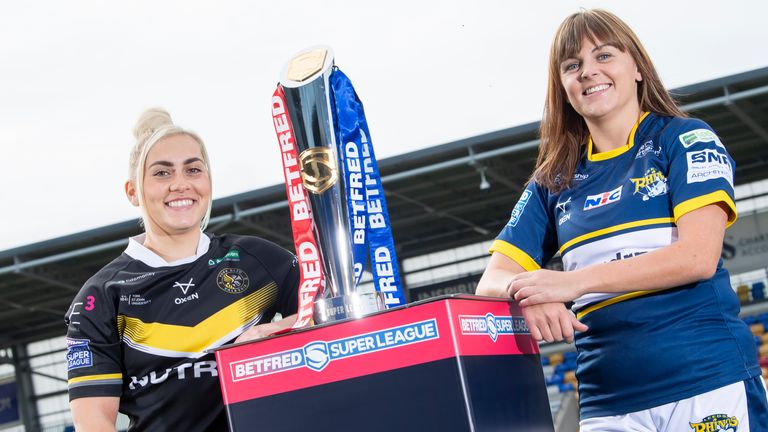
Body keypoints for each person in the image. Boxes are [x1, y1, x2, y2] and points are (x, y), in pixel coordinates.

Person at [476, 9, 768, 431]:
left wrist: (572, 282)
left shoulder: (685, 139)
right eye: (572, 66)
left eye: (604, 56)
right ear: (563, 87)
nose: (589, 72)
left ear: (636, 67)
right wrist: (532, 292)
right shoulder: (552, 180)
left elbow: (698, 257)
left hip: (707, 381)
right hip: (607, 402)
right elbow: (492, 281)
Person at [65, 108, 300, 431]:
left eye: (193, 169)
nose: (180, 184)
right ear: (133, 192)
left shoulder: (258, 259)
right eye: (162, 173)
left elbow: (335, 317)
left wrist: (268, 333)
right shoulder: (100, 297)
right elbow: (94, 422)